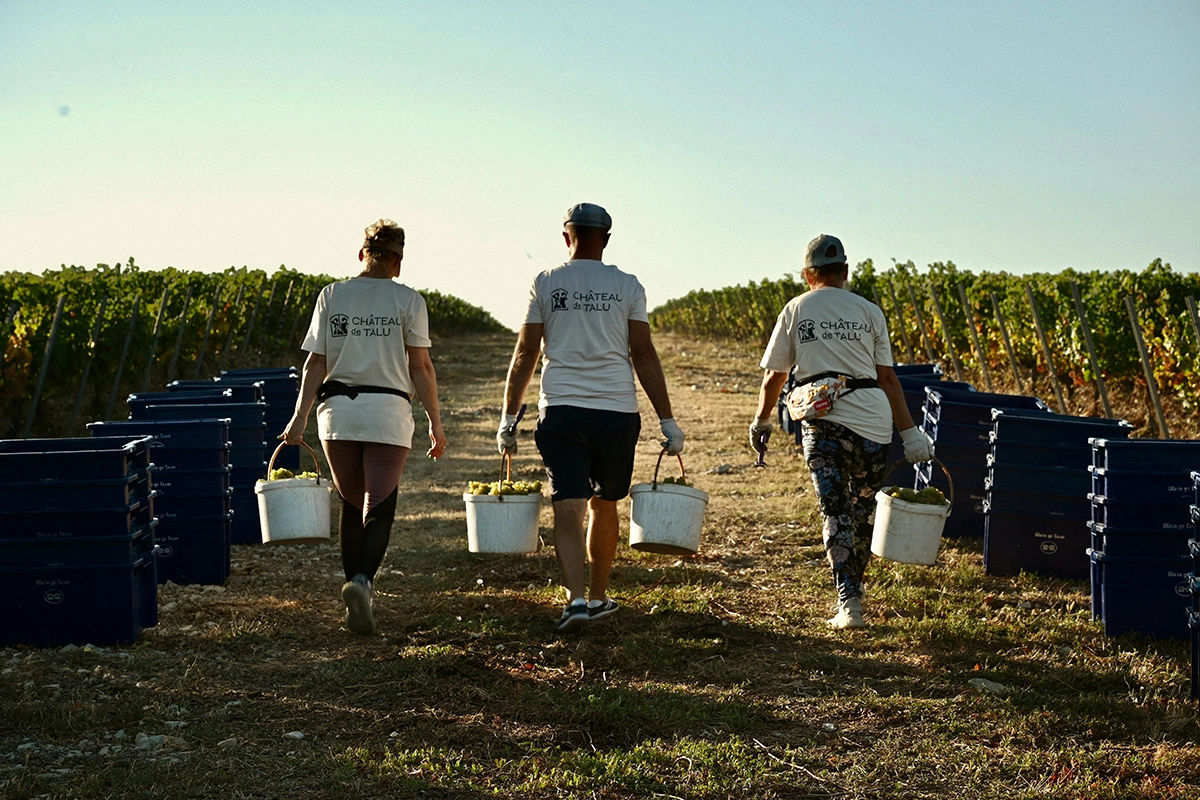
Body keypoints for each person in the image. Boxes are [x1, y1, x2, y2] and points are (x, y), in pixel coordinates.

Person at [499, 202, 685, 633]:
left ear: (567, 237)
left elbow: (526, 352)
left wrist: (509, 417)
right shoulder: (627, 285)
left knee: (568, 505)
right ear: (606, 238)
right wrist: (667, 420)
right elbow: (642, 353)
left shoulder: (546, 282)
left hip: (561, 410)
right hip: (616, 412)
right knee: (606, 503)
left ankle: (576, 602)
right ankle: (599, 596)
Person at [750, 234, 934, 630]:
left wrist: (763, 420)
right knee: (863, 511)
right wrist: (911, 434)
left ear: (806, 273)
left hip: (822, 421)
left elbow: (774, 377)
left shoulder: (795, 309)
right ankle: (855, 590)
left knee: (835, 510)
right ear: (846, 272)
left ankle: (848, 602)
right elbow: (887, 378)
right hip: (872, 424)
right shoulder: (870, 311)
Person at [281, 218, 448, 636]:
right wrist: (435, 421)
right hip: (387, 413)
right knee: (381, 504)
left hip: (336, 415)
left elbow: (314, 362)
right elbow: (421, 366)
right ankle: (362, 583)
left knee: (352, 503)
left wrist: (299, 416)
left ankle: (354, 590)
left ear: (362, 254)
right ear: (398, 259)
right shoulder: (409, 301)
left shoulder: (332, 295)